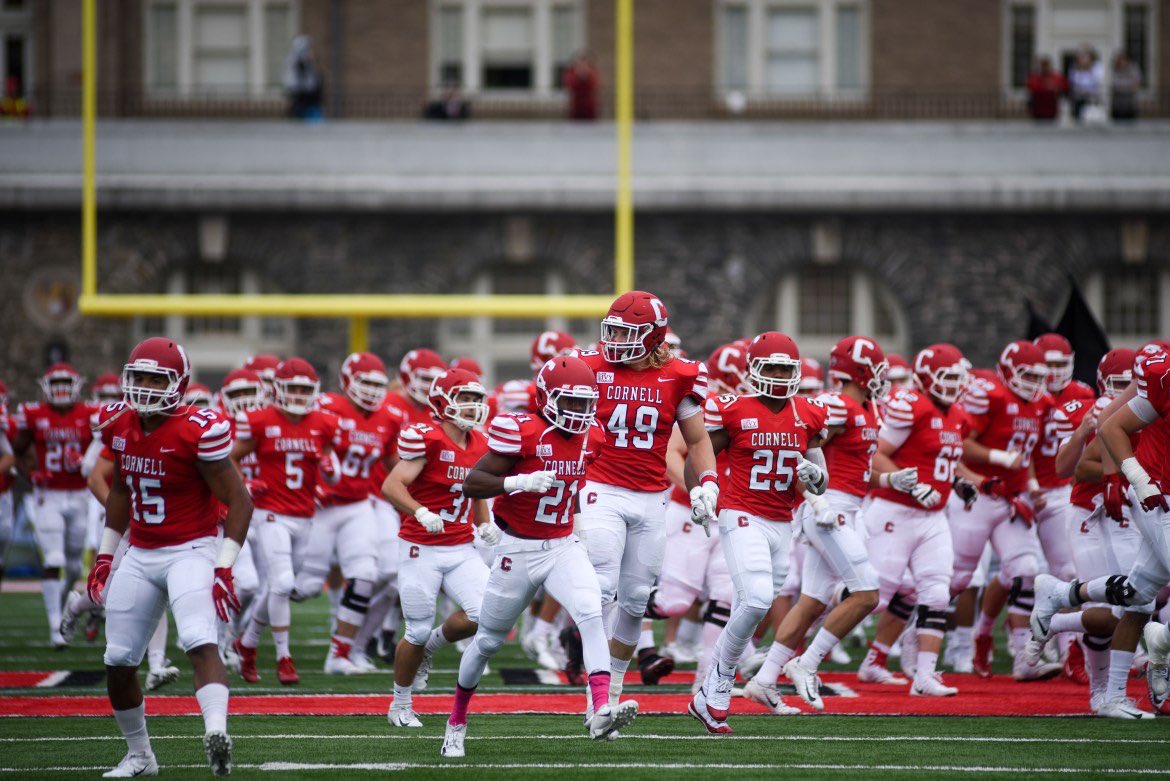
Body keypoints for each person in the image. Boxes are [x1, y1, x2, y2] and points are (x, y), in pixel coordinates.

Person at [443, 356, 638, 757]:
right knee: (487, 642)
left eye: (586, 404)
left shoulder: (592, 437)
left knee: (591, 610)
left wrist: (579, 528)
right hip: (517, 548)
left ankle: (602, 707)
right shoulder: (522, 431)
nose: (581, 413)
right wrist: (519, 481)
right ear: (548, 398)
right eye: (571, 403)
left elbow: (571, 487)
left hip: (562, 544)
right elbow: (473, 485)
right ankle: (456, 722)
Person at [85, 337, 253, 777]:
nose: (142, 386)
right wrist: (106, 556)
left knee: (200, 640)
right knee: (118, 660)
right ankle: (140, 756)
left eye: (154, 378)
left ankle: (216, 732)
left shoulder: (197, 428)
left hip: (190, 549)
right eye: (137, 376)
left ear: (178, 383)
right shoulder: (118, 423)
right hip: (140, 551)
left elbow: (240, 501)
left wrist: (224, 565)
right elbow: (121, 490)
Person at [573, 291, 716, 713]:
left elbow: (698, 440)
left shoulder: (681, 374)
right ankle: (597, 699)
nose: (614, 339)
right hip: (600, 489)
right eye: (611, 329)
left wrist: (706, 483)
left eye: (625, 332)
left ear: (652, 337)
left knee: (636, 599)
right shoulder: (589, 366)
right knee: (600, 588)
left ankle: (613, 691)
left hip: (652, 497)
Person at [688, 331, 831, 733]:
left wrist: (816, 475)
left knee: (755, 606)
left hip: (782, 522)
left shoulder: (810, 412)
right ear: (752, 370)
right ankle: (716, 684)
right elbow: (700, 451)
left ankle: (708, 691)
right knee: (753, 602)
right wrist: (704, 487)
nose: (779, 375)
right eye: (770, 367)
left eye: (785, 368)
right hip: (741, 514)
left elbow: (820, 481)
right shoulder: (732, 408)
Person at [1031, 343, 1170, 719]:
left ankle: (1062, 595)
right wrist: (1126, 476)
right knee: (1128, 608)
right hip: (1142, 503)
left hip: (1140, 504)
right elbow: (1104, 433)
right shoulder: (1160, 380)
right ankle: (1157, 654)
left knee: (1137, 599)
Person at [384, 369, 493, 728]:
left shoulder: (479, 442)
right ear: (442, 401)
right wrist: (419, 510)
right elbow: (392, 484)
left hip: (461, 545)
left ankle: (430, 648)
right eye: (464, 397)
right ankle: (400, 704)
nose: (472, 405)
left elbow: (475, 490)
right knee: (414, 629)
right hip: (420, 545)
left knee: (485, 615)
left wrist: (484, 524)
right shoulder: (426, 438)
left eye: (476, 398)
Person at [230, 358, 339, 685]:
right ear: (277, 388)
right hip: (270, 514)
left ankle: (247, 644)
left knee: (278, 586)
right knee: (281, 583)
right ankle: (283, 657)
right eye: (292, 388)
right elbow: (232, 457)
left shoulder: (324, 423)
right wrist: (244, 486)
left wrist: (328, 473)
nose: (297, 395)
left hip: (304, 515)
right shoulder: (260, 420)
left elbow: (331, 464)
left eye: (304, 389)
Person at [952, 340, 1056, 680]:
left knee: (1026, 569)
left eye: (1038, 376)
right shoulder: (990, 395)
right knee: (958, 578)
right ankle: (916, 644)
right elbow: (959, 443)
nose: (1033, 383)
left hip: (1011, 497)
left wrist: (1032, 483)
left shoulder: (1042, 402)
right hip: (978, 493)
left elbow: (1023, 454)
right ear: (1008, 370)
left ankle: (1018, 656)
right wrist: (996, 459)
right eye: (1026, 374)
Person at [305, 353, 399, 674]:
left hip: (359, 504)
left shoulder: (388, 418)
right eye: (366, 383)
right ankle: (240, 640)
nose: (372, 391)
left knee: (366, 575)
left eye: (378, 384)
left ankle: (340, 653)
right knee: (300, 586)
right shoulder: (328, 407)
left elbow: (393, 466)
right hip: (320, 508)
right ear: (347, 381)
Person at [11, 363, 96, 647]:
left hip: (80, 494)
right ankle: (53, 629)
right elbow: (17, 452)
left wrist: (85, 463)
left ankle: (62, 612)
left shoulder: (90, 414)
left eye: (65, 383)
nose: (60, 389)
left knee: (73, 567)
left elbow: (105, 449)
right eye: (56, 383)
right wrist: (30, 473)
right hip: (49, 495)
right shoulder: (35, 415)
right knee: (54, 560)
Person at [283, 35, 323, 120]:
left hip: (305, 93)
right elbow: (302, 77)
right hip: (304, 93)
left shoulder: (297, 58)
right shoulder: (300, 59)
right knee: (302, 113)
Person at [1026, 57, 1067, 121]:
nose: (1045, 68)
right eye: (1043, 65)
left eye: (1046, 65)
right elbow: (1032, 87)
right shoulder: (1035, 77)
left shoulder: (1056, 77)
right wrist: (1047, 87)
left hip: (1052, 111)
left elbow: (1063, 86)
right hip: (1038, 110)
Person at [1068, 47, 1102, 122]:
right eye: (1081, 58)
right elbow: (1075, 82)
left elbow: (1096, 81)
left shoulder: (1096, 67)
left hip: (1091, 100)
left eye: (1085, 58)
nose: (1083, 60)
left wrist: (1088, 69)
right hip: (1078, 99)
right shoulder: (1075, 68)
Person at [563, 51, 599, 121]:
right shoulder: (571, 73)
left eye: (584, 64)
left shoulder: (593, 73)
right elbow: (569, 85)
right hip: (575, 109)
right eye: (580, 64)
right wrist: (578, 77)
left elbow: (595, 84)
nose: (582, 67)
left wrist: (587, 75)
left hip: (590, 110)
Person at [1110, 52, 1142, 121]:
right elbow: (1113, 83)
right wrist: (1128, 84)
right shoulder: (1114, 70)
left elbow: (1136, 83)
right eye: (1120, 60)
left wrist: (1124, 85)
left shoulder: (1133, 68)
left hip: (1130, 102)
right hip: (1117, 102)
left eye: (1124, 60)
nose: (1122, 62)